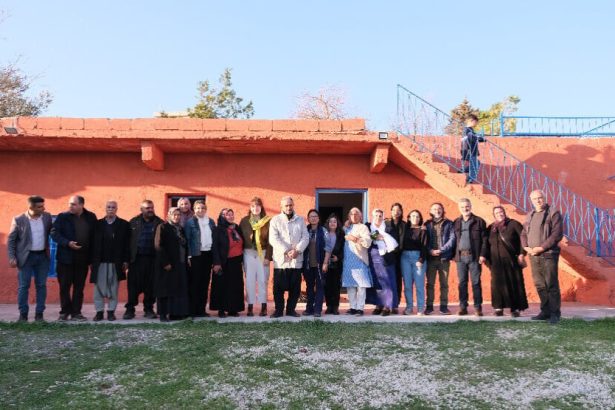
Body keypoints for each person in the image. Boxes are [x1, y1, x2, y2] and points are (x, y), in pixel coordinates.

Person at [50, 195, 97, 321]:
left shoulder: (91, 217)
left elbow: (95, 237)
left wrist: (93, 258)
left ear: (81, 205)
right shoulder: (62, 217)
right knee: (64, 286)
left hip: (83, 258)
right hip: (65, 258)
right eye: (70, 204)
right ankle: (64, 312)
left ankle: (76, 313)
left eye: (73, 204)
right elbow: (54, 233)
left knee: (79, 287)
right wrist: (67, 243)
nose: (70, 206)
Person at [521, 190, 563, 324]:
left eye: (540, 198)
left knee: (551, 284)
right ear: (531, 201)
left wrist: (542, 247)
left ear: (544, 198)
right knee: (540, 284)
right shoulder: (530, 215)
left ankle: (555, 313)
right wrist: (526, 247)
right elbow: (523, 233)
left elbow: (556, 234)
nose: (538, 201)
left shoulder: (553, 213)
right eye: (535, 199)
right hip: (533, 255)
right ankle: (545, 311)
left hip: (548, 254)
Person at [8, 195, 53, 322]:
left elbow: (53, 232)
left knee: (41, 285)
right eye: (40, 207)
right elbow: (11, 240)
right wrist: (12, 257)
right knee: (24, 286)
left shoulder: (47, 217)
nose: (43, 208)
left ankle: (39, 314)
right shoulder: (19, 219)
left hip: (42, 256)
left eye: (43, 206)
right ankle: (23, 315)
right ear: (31, 207)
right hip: (25, 258)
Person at [268, 196, 309, 318]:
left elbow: (305, 237)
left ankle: (291, 310)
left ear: (293, 205)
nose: (289, 207)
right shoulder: (275, 220)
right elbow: (273, 239)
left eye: (290, 205)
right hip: (281, 260)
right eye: (286, 205)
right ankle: (279, 310)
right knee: (278, 288)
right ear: (281, 207)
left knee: (295, 288)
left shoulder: (300, 220)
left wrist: (297, 250)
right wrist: (287, 251)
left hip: (296, 259)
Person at [90, 201, 130, 321]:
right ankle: (99, 312)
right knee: (98, 289)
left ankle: (111, 312)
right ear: (105, 208)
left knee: (113, 288)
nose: (111, 209)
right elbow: (91, 243)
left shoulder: (124, 224)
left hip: (116, 262)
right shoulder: (97, 224)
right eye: (108, 207)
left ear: (116, 209)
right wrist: (91, 261)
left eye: (113, 207)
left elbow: (127, 244)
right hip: (100, 261)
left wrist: (126, 260)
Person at [486, 206, 528, 317]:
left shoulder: (514, 224)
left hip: (511, 260)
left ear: (504, 212)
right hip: (496, 262)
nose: (499, 214)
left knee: (514, 283)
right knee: (497, 285)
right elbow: (486, 244)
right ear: (494, 215)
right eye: (497, 213)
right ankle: (498, 308)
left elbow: (524, 238)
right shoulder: (491, 227)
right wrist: (486, 259)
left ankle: (515, 309)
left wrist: (522, 254)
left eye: (501, 211)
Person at [125, 200, 163, 320]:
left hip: (153, 260)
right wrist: (126, 260)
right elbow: (127, 242)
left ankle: (149, 309)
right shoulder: (133, 222)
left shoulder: (160, 223)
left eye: (151, 207)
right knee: (133, 286)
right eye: (147, 208)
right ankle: (130, 309)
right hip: (136, 260)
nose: (150, 210)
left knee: (150, 286)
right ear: (141, 209)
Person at [453, 198, 488, 316]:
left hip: (474, 257)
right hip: (460, 258)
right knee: (462, 283)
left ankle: (478, 307)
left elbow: (485, 240)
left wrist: (482, 254)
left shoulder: (479, 221)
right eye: (462, 207)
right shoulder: (456, 222)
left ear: (471, 206)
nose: (465, 209)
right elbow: (454, 240)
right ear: (459, 208)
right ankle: (463, 307)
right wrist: (453, 255)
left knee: (476, 283)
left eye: (467, 206)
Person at [239, 197, 273, 317]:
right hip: (248, 253)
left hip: (263, 253)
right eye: (253, 206)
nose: (255, 208)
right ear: (250, 207)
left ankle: (264, 306)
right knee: (249, 281)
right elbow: (240, 239)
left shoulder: (268, 221)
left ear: (261, 207)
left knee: (263, 280)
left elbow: (271, 241)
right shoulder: (244, 221)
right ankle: (250, 306)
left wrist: (268, 257)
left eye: (258, 205)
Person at [154, 207, 189, 322]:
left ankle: (176, 313)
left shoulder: (180, 228)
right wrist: (165, 262)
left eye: (178, 215)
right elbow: (158, 246)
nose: (177, 217)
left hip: (180, 263)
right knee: (165, 289)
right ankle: (163, 314)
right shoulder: (162, 227)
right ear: (168, 215)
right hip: (167, 264)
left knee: (177, 288)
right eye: (174, 214)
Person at [210, 209, 246, 318]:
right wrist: (216, 263)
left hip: (236, 262)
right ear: (222, 216)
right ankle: (221, 309)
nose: (230, 217)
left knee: (235, 286)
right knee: (222, 286)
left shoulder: (236, 227)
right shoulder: (218, 229)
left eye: (231, 215)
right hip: (223, 261)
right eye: (227, 215)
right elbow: (215, 247)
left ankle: (233, 309)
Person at [184, 200, 216, 318]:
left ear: (205, 209)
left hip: (208, 255)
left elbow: (214, 238)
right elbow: (187, 240)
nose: (200, 210)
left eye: (202, 208)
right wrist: (188, 256)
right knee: (195, 283)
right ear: (194, 209)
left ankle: (201, 310)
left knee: (204, 283)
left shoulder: (211, 222)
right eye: (198, 208)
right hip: (196, 255)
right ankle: (192, 310)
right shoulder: (190, 222)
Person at [424, 202, 456, 315]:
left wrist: (441, 250)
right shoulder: (427, 224)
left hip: (444, 258)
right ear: (430, 211)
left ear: (442, 210)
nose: (437, 211)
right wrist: (430, 251)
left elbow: (452, 239)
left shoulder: (449, 223)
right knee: (430, 284)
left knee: (444, 284)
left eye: (439, 208)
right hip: (431, 259)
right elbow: (423, 240)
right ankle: (429, 307)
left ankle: (443, 307)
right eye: (434, 209)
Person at [366, 209, 399, 316]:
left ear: (383, 217)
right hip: (372, 258)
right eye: (376, 215)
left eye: (380, 216)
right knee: (377, 282)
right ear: (372, 216)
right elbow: (365, 236)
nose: (378, 217)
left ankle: (387, 306)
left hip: (386, 258)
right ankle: (378, 305)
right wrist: (375, 236)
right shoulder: (368, 226)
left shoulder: (389, 228)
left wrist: (382, 237)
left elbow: (395, 240)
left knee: (387, 282)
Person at [341, 208, 372, 316]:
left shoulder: (363, 227)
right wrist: (346, 225)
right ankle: (353, 307)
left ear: (360, 216)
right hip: (348, 260)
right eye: (351, 214)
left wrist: (355, 239)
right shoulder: (347, 227)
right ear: (349, 216)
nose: (354, 216)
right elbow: (341, 233)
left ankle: (360, 308)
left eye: (356, 214)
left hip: (359, 260)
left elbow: (368, 242)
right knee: (350, 285)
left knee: (361, 286)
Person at [400, 210, 428, 315]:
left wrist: (421, 260)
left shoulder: (423, 230)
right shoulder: (405, 229)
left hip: (418, 257)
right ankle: (409, 308)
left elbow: (424, 246)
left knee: (419, 285)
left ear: (420, 218)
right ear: (408, 218)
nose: (415, 218)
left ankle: (420, 308)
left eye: (417, 216)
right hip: (405, 258)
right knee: (407, 285)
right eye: (413, 216)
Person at [302, 209, 328, 317]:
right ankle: (309, 309)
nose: (313, 218)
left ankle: (317, 310)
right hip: (308, 264)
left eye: (315, 216)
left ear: (318, 218)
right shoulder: (305, 230)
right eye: (311, 216)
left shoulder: (323, 231)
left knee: (320, 287)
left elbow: (328, 247)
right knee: (309, 287)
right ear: (308, 219)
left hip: (320, 264)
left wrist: (325, 262)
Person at [322, 214, 345, 315]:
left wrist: (338, 257)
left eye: (334, 222)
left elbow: (344, 249)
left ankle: (335, 307)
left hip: (336, 264)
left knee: (336, 286)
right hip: (325, 262)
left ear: (337, 224)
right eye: (330, 221)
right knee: (327, 286)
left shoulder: (341, 235)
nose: (332, 223)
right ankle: (329, 306)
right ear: (327, 223)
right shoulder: (324, 234)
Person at [385, 203, 405, 313]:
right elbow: (374, 230)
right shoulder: (385, 223)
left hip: (401, 255)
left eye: (398, 210)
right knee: (387, 280)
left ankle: (395, 305)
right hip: (388, 255)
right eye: (394, 210)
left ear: (401, 212)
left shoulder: (405, 224)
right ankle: (385, 304)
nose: (396, 212)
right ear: (391, 211)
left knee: (397, 280)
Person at [461, 114, 486, 184]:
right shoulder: (467, 130)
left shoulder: (470, 130)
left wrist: (481, 139)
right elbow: (472, 137)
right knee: (475, 165)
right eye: (475, 122)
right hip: (469, 151)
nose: (476, 124)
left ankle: (463, 170)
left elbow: (474, 137)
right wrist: (480, 138)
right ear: (471, 121)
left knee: (477, 163)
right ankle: (470, 179)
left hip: (472, 150)